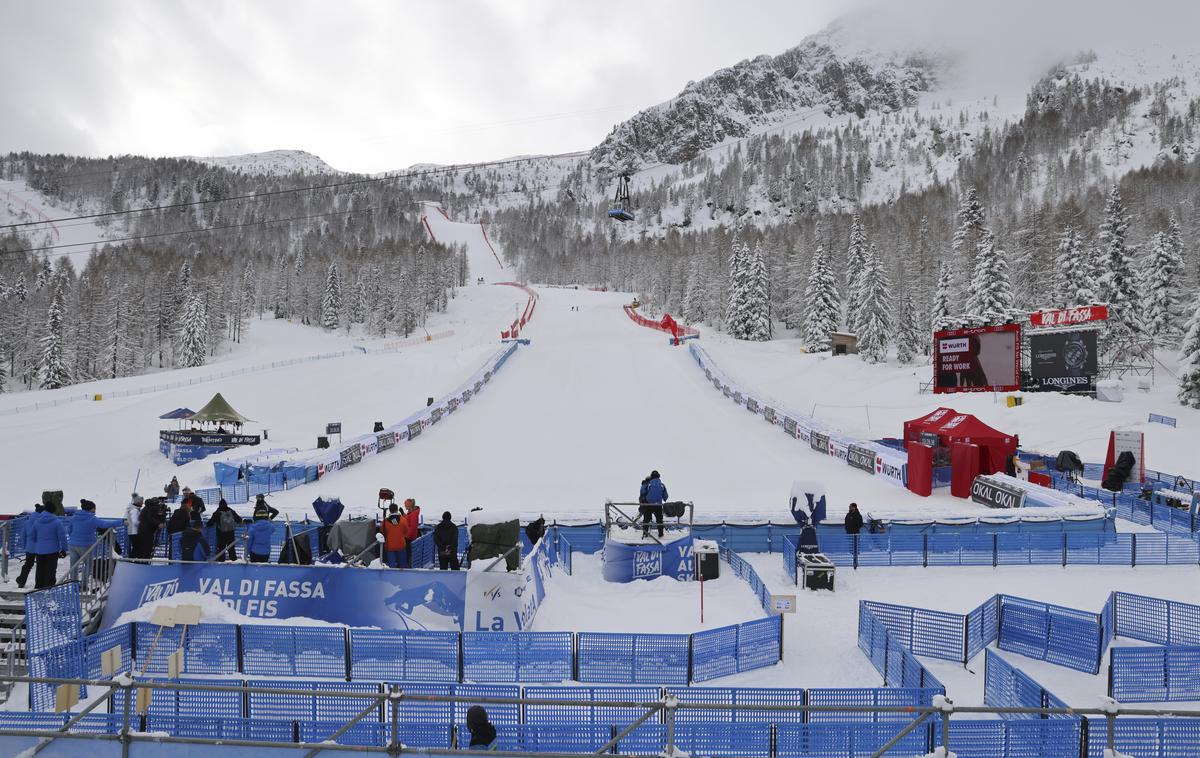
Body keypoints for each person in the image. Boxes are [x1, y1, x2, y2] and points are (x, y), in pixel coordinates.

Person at [29, 501, 68, 589]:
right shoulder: (57, 522)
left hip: (39, 550)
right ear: (53, 511)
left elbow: (31, 536)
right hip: (52, 551)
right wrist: (64, 549)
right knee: (50, 570)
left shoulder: (37, 522)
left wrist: (39, 542)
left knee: (40, 570)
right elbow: (62, 537)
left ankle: (38, 587)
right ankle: (49, 588)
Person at [68, 499, 103, 584]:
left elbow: (69, 530)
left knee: (74, 566)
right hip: (85, 546)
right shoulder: (92, 518)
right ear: (91, 509)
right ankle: (83, 584)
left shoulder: (74, 517)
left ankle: (74, 584)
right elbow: (105, 524)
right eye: (95, 508)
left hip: (72, 545)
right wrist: (121, 522)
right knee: (89, 564)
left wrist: (74, 538)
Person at [15, 504, 43, 588]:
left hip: (30, 547)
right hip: (40, 548)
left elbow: (23, 535)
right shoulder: (42, 521)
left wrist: (25, 546)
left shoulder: (28, 521)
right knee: (40, 566)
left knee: (28, 565)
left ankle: (21, 581)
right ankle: (38, 584)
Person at [639, 470, 668, 538]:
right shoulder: (662, 485)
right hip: (658, 505)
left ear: (651, 477)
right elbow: (665, 497)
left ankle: (645, 534)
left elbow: (642, 492)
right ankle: (661, 534)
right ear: (659, 477)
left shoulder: (648, 484)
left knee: (646, 520)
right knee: (659, 520)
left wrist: (643, 484)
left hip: (649, 505)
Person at [380, 504, 410, 568]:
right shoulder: (403, 520)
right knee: (403, 565)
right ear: (397, 510)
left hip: (390, 545)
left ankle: (391, 576)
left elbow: (383, 532)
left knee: (391, 566)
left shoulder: (385, 521)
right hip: (401, 544)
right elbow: (407, 531)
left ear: (390, 510)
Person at [402, 498, 421, 567]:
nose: (404, 505)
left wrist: (406, 536)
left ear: (409, 505)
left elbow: (412, 527)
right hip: (408, 536)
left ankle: (408, 567)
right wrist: (403, 514)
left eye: (405, 504)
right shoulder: (411, 512)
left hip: (409, 538)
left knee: (408, 553)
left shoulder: (413, 514)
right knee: (407, 553)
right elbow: (408, 520)